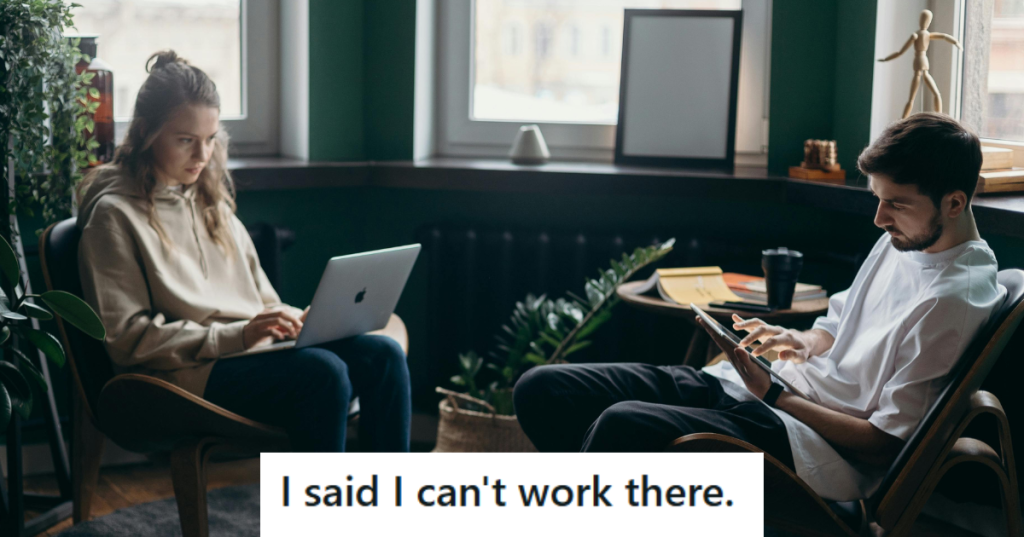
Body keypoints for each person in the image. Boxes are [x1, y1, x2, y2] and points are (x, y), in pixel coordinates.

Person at [513, 112, 1005, 500]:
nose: (879, 217)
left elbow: (885, 444)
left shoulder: (952, 301)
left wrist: (772, 394)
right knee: (545, 389)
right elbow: (839, 325)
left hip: (804, 439)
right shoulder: (907, 239)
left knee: (622, 426)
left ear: (955, 203)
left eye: (896, 203)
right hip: (768, 390)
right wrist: (799, 341)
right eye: (878, 199)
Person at [76, 51, 411, 452]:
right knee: (323, 373)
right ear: (146, 132)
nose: (202, 156)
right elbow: (129, 340)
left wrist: (290, 321)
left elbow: (260, 301)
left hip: (244, 353)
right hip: (182, 376)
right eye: (186, 141)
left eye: (210, 140)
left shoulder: (210, 204)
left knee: (384, 357)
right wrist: (239, 334)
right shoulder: (113, 217)